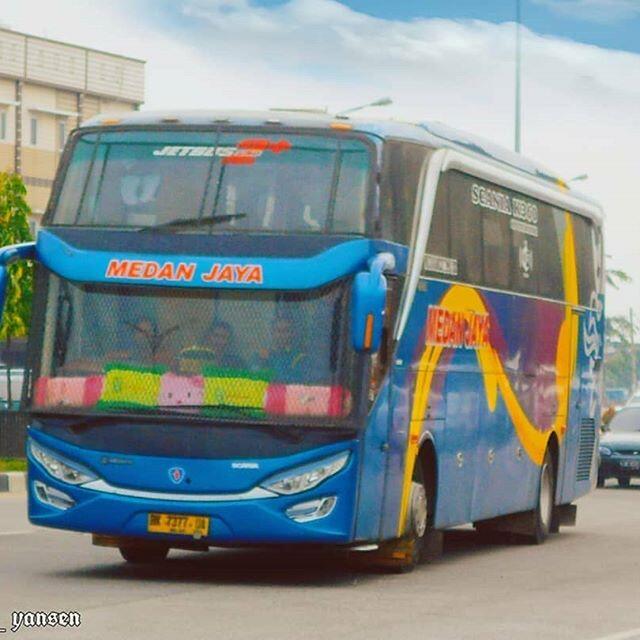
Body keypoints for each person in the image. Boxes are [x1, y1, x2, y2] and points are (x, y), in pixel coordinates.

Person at [178, 321, 245, 374]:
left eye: (223, 337)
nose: (218, 341)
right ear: (209, 337)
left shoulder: (235, 362)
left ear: (228, 341)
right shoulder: (196, 357)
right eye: (216, 336)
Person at [257, 316, 308, 382]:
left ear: (292, 333)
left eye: (286, 331)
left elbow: (295, 381)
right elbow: (254, 376)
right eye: (278, 331)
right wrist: (263, 361)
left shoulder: (299, 357)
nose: (281, 335)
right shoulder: (261, 355)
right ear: (272, 333)